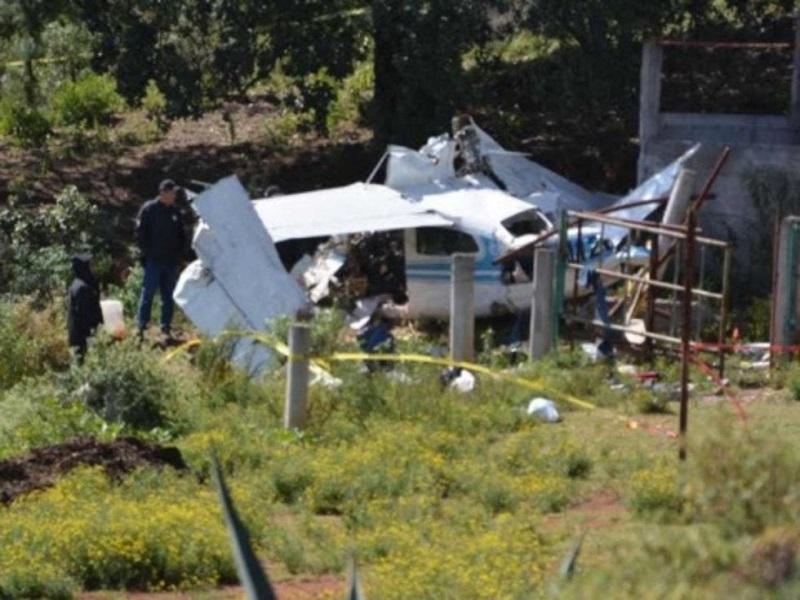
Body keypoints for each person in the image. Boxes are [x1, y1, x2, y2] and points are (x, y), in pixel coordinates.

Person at [136, 179, 187, 340]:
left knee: (168, 296)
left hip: (170, 262)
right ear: (163, 192)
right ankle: (141, 327)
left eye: (175, 193)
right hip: (154, 261)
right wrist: (148, 253)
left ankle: (165, 327)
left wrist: (179, 256)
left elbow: (182, 236)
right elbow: (140, 234)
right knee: (148, 294)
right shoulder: (149, 209)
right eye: (172, 193)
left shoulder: (176, 212)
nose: (174, 196)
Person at [67, 254, 103, 360]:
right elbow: (85, 314)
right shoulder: (82, 288)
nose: (93, 268)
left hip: (79, 334)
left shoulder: (81, 284)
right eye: (90, 266)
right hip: (82, 336)